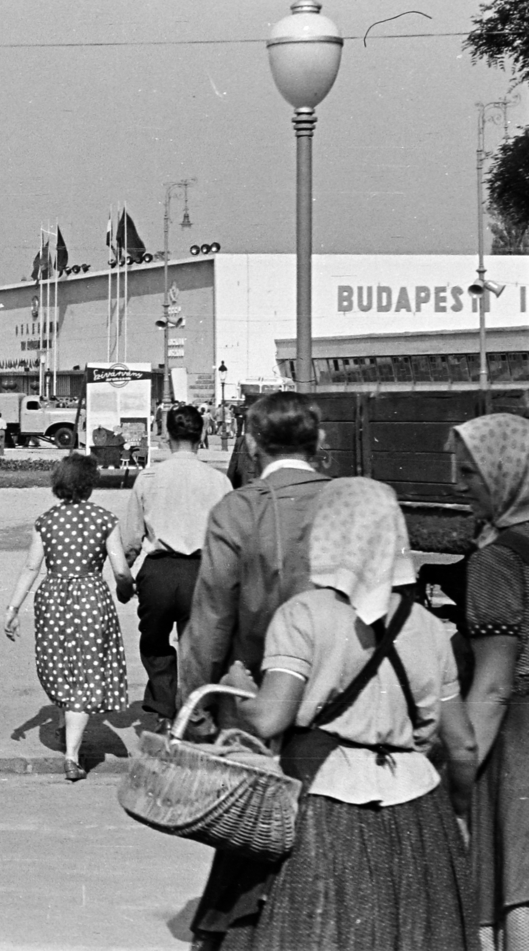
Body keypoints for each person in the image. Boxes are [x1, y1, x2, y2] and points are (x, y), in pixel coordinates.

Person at [189, 478, 478, 951]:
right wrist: (457, 815)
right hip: (419, 811)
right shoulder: (428, 628)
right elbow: (462, 743)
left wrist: (242, 692)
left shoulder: (304, 615)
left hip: (325, 803)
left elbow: (269, 720)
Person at [179, 392, 330, 720]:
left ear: (250, 445)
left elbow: (212, 619)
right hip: (340, 701)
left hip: (254, 699)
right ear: (318, 442)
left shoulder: (239, 510)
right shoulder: (349, 501)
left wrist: (195, 705)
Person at [5, 454, 134, 781]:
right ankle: (73, 756)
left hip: (53, 597)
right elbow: (120, 569)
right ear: (90, 483)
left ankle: (66, 724)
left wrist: (13, 607)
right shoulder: (105, 519)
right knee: (88, 666)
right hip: (91, 596)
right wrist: (127, 588)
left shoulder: (46, 521)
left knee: (60, 661)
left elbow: (31, 567)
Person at [450, 413, 529, 949]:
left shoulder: (496, 561)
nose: (459, 486)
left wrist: (458, 770)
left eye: (470, 473)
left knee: (514, 880)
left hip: (517, 743)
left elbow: (496, 685)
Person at [121, 405, 232, 728]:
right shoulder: (218, 481)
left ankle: (164, 710)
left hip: (159, 571)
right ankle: (194, 711)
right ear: (203, 434)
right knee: (195, 646)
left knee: (154, 643)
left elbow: (132, 538)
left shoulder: (149, 477)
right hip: (202, 570)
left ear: (166, 435)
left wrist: (125, 576)